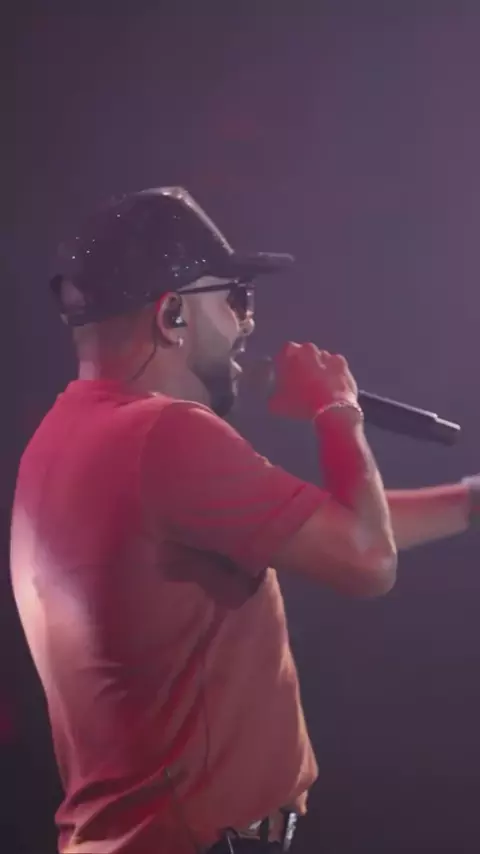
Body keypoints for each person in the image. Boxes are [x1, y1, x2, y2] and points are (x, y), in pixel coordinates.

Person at [9, 187, 476, 854]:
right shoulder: (166, 435)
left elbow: (331, 529)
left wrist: (468, 501)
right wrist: (337, 410)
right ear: (172, 314)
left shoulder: (73, 434)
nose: (247, 324)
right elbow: (367, 560)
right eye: (234, 298)